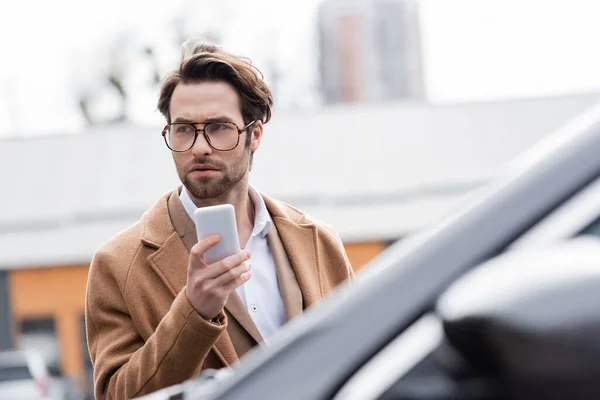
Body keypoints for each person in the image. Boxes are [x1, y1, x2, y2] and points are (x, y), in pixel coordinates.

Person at [85, 39, 354, 399]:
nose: (199, 147)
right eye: (183, 129)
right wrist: (193, 314)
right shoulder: (116, 265)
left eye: (218, 127)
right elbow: (116, 396)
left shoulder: (318, 241)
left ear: (254, 134)